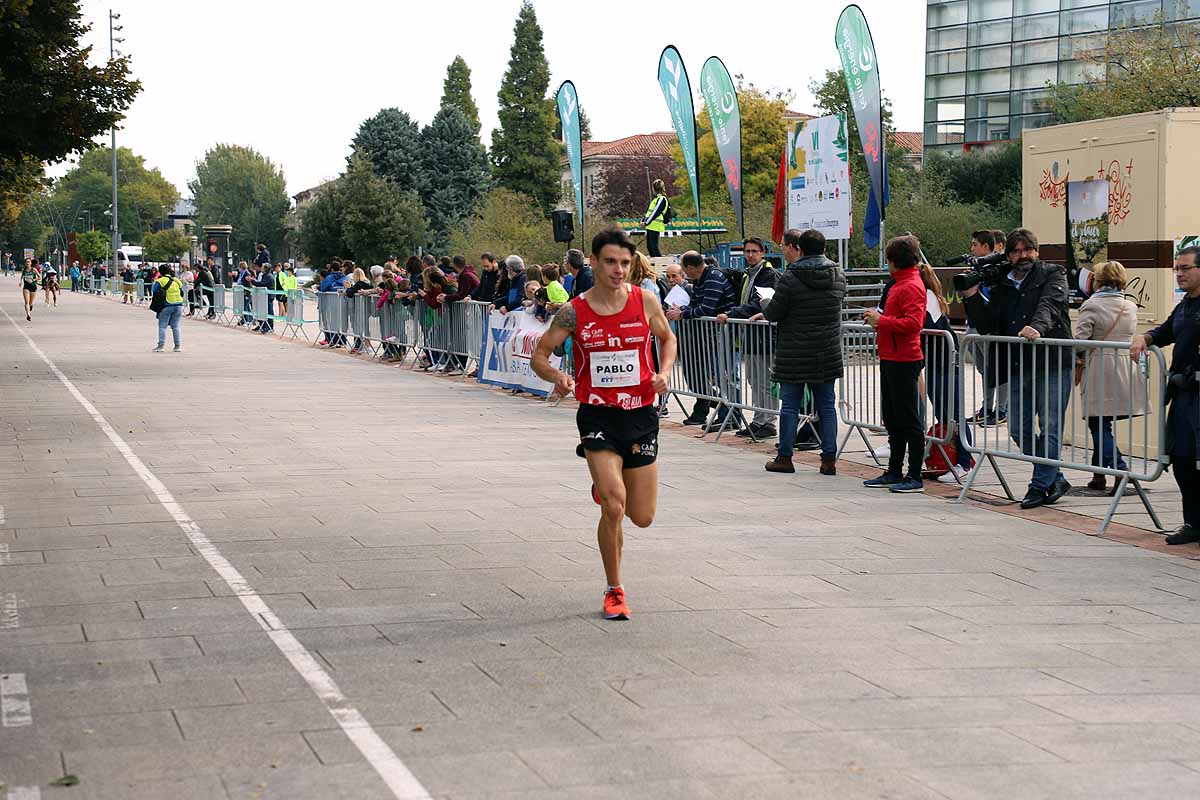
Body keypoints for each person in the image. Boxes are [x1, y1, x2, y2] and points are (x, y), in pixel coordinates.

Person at [531, 227, 677, 621]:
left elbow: (668, 339)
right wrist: (559, 378)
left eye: (625, 263)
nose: (618, 270)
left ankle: (608, 487)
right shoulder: (574, 311)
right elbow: (540, 355)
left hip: (641, 414)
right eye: (611, 262)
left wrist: (664, 372)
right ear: (593, 262)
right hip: (597, 415)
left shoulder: (645, 301)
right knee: (614, 505)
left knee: (641, 516)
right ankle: (615, 589)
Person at [962, 228, 1073, 509]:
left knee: (1050, 427)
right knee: (1018, 428)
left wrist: (1037, 326)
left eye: (1028, 250)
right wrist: (972, 295)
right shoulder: (1002, 283)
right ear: (1008, 254)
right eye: (1016, 251)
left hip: (1052, 362)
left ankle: (1039, 486)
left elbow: (1051, 304)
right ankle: (1055, 475)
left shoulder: (1053, 273)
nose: (1023, 256)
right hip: (1019, 364)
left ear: (1037, 251)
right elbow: (988, 325)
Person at [761, 229, 846, 475]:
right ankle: (829, 459)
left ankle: (785, 457)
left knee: (789, 405)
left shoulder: (790, 276)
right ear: (824, 248)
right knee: (826, 405)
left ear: (801, 248)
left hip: (794, 351)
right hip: (827, 350)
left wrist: (765, 303)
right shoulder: (838, 274)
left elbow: (774, 313)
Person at [1130, 245, 1200, 544]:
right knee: (1182, 459)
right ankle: (1193, 522)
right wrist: (1145, 337)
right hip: (1184, 394)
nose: (1179, 274)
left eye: (1185, 268)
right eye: (1177, 269)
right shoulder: (1186, 304)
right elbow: (1166, 330)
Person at [862, 235, 928, 494]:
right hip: (892, 356)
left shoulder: (910, 285)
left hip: (904, 358)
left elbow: (914, 324)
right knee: (892, 417)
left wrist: (882, 321)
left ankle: (914, 474)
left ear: (892, 261)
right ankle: (894, 470)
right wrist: (879, 319)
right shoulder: (900, 283)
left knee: (908, 419)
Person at [1074, 260, 1144, 493]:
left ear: (1097, 280)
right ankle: (1099, 476)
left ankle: (1121, 470)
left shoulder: (1091, 305)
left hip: (1099, 369)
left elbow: (1080, 341)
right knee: (1102, 424)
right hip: (1124, 368)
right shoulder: (1130, 306)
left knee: (1097, 424)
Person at [717, 236, 781, 439]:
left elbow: (759, 303)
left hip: (764, 335)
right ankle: (758, 419)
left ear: (763, 252)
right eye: (747, 251)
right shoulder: (748, 275)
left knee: (765, 381)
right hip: (750, 336)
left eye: (754, 251)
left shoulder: (768, 275)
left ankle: (769, 421)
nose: (750, 255)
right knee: (754, 380)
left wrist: (732, 313)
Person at [667, 250, 737, 432]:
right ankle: (725, 414)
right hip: (708, 336)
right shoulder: (700, 280)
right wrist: (683, 309)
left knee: (723, 377)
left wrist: (682, 314)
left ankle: (730, 415)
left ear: (690, 268)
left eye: (683, 270)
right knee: (705, 377)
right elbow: (697, 305)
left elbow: (706, 308)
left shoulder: (713, 278)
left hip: (721, 335)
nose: (685, 274)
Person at [919, 262, 976, 484]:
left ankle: (965, 460)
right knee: (945, 415)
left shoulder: (928, 298)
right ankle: (953, 458)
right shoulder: (928, 297)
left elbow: (926, 328)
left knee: (954, 415)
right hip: (936, 363)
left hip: (946, 363)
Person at [965, 230, 1008, 427]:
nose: (972, 249)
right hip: (973, 327)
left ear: (986, 247)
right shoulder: (973, 268)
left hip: (990, 330)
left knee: (998, 370)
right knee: (985, 371)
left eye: (975, 244)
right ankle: (987, 408)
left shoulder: (997, 270)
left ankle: (1001, 409)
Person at [152, 264, 184, 352]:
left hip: (166, 305)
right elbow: (182, 291)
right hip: (178, 305)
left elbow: (154, 291)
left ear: (160, 272)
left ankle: (161, 346)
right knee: (176, 326)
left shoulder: (160, 281)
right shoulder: (177, 280)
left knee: (162, 326)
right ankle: (177, 346)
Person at [640, 179, 669, 258]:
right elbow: (649, 212)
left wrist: (646, 222)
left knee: (654, 248)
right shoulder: (656, 199)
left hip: (654, 225)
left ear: (654, 188)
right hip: (650, 226)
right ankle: (655, 265)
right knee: (650, 247)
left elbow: (655, 213)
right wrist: (643, 220)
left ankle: (659, 265)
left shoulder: (661, 199)